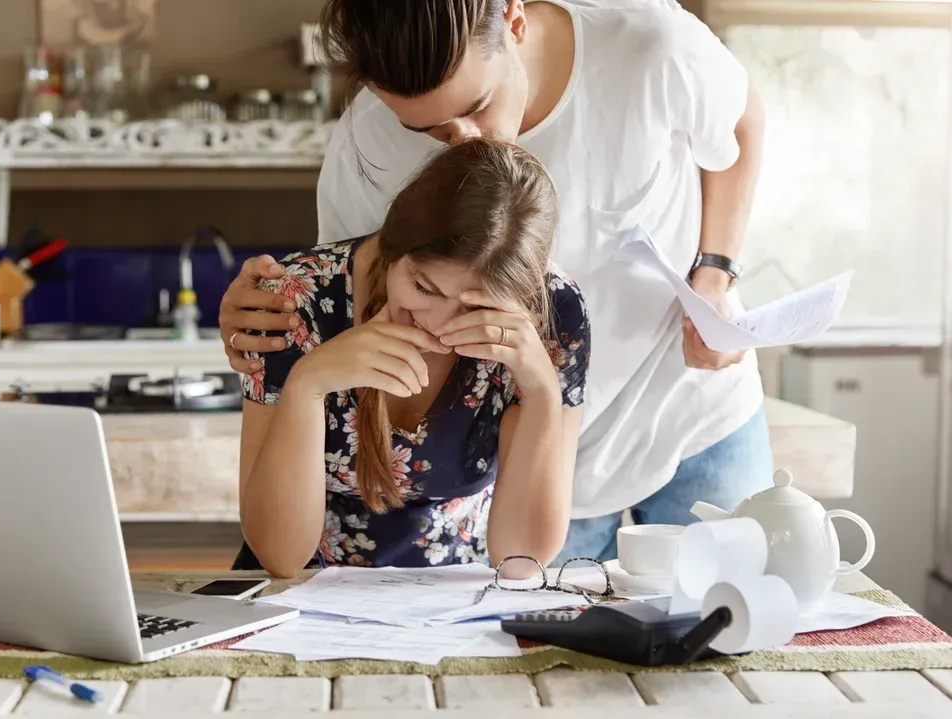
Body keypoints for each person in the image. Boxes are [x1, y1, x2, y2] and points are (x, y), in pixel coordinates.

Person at [220, 0, 773, 563]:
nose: (464, 142)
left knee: (740, 593)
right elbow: (337, 289)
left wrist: (716, 271)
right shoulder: (367, 141)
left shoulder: (650, 46)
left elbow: (740, 122)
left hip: (686, 400)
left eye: (478, 106)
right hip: (525, 452)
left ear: (514, 20)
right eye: (428, 131)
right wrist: (262, 313)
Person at [233, 139, 590, 578]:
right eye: (424, 288)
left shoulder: (554, 314)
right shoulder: (294, 298)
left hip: (458, 596)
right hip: (303, 590)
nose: (438, 324)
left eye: (476, 307)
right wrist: (306, 386)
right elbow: (279, 557)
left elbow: (521, 563)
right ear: (392, 245)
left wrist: (542, 393)